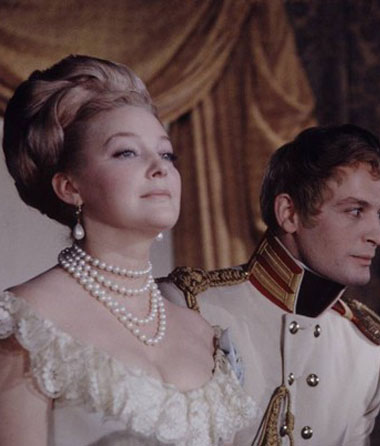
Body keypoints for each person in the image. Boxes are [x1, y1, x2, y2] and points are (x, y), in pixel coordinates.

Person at [0, 55, 256, 446]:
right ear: (70, 187)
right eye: (126, 152)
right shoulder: (29, 324)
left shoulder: (202, 331)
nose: (160, 168)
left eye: (167, 154)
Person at [159, 124, 380, 445]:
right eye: (355, 211)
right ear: (289, 213)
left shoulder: (365, 350)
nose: (378, 236)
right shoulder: (187, 306)